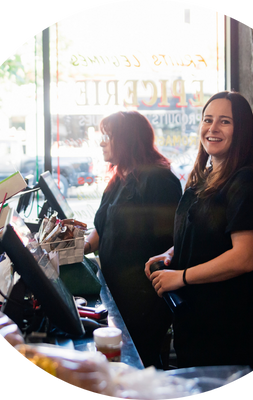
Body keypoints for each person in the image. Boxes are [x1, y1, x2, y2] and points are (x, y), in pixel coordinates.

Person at [145, 91, 253, 369]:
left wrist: (180, 276)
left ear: (241, 130)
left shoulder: (247, 182)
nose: (212, 128)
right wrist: (171, 254)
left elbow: (244, 257)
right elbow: (203, 232)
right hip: (197, 321)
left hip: (231, 325)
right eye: (208, 119)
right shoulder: (204, 178)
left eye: (225, 121)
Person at [84, 111, 182, 368]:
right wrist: (78, 247)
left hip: (144, 299)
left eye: (108, 136)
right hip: (117, 292)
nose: (102, 142)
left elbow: (174, 240)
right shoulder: (118, 178)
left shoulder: (159, 180)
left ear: (127, 139)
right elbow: (102, 227)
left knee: (139, 367)